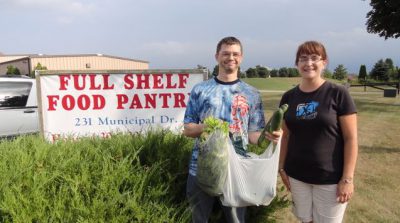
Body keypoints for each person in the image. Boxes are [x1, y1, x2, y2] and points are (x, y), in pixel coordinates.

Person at [183, 36, 280, 223]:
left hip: (237, 170)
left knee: (236, 220)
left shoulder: (251, 93)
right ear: (217, 56)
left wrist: (271, 135)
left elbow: (253, 135)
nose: (231, 57)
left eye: (235, 54)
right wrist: (210, 127)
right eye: (226, 53)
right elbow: (188, 129)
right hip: (201, 169)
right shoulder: (201, 90)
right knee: (198, 219)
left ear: (241, 58)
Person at [278, 40, 358, 223]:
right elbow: (286, 135)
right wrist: (281, 168)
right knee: (305, 220)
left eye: (315, 58)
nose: (308, 63)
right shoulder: (289, 97)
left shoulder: (338, 93)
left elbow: (351, 138)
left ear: (324, 62)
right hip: (297, 175)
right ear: (297, 63)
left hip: (330, 178)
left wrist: (347, 179)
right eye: (303, 58)